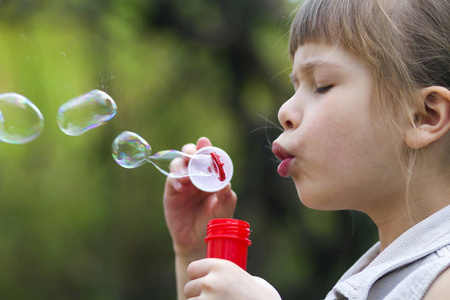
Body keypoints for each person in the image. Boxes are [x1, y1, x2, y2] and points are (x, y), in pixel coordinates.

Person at [163, 0, 450, 298]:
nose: (285, 110)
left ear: (423, 117)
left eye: (322, 85)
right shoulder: (378, 275)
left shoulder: (443, 280)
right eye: (295, 86)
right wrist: (198, 257)